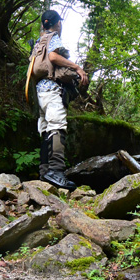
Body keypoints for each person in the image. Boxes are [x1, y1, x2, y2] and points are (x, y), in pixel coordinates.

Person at [36, 10, 88, 190]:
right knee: (57, 126)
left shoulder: (38, 42)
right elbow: (53, 57)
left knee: (46, 130)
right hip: (52, 89)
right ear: (57, 23)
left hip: (40, 92)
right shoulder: (53, 37)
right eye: (60, 23)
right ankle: (57, 171)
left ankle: (44, 172)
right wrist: (77, 67)